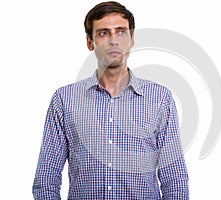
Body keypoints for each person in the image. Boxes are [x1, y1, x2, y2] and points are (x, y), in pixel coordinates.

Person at [32, 1, 189, 199]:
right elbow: (46, 179)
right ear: (90, 42)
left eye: (121, 32)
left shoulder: (160, 99)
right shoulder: (64, 100)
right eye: (103, 33)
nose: (114, 40)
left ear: (131, 39)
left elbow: (174, 179)